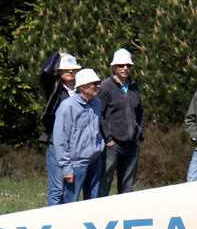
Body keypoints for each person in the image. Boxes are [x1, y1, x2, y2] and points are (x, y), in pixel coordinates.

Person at [97, 48, 145, 196]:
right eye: (121, 65)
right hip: (113, 145)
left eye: (128, 65)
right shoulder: (106, 87)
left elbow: (140, 114)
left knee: (128, 187)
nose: (125, 68)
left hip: (132, 145)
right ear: (113, 67)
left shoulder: (135, 88)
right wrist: (108, 139)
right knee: (104, 183)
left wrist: (139, 137)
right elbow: (99, 114)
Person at [54, 68, 105, 203]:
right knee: (71, 203)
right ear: (82, 87)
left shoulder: (97, 103)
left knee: (93, 202)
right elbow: (61, 139)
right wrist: (67, 168)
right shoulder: (67, 107)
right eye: (94, 83)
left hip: (95, 161)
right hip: (76, 164)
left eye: (98, 83)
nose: (98, 86)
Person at [39, 53, 82, 206]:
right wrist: (57, 55)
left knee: (71, 190)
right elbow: (44, 72)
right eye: (65, 69)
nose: (70, 72)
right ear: (58, 71)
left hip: (76, 145)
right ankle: (52, 223)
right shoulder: (54, 87)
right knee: (57, 190)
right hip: (55, 142)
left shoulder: (81, 90)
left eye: (73, 69)